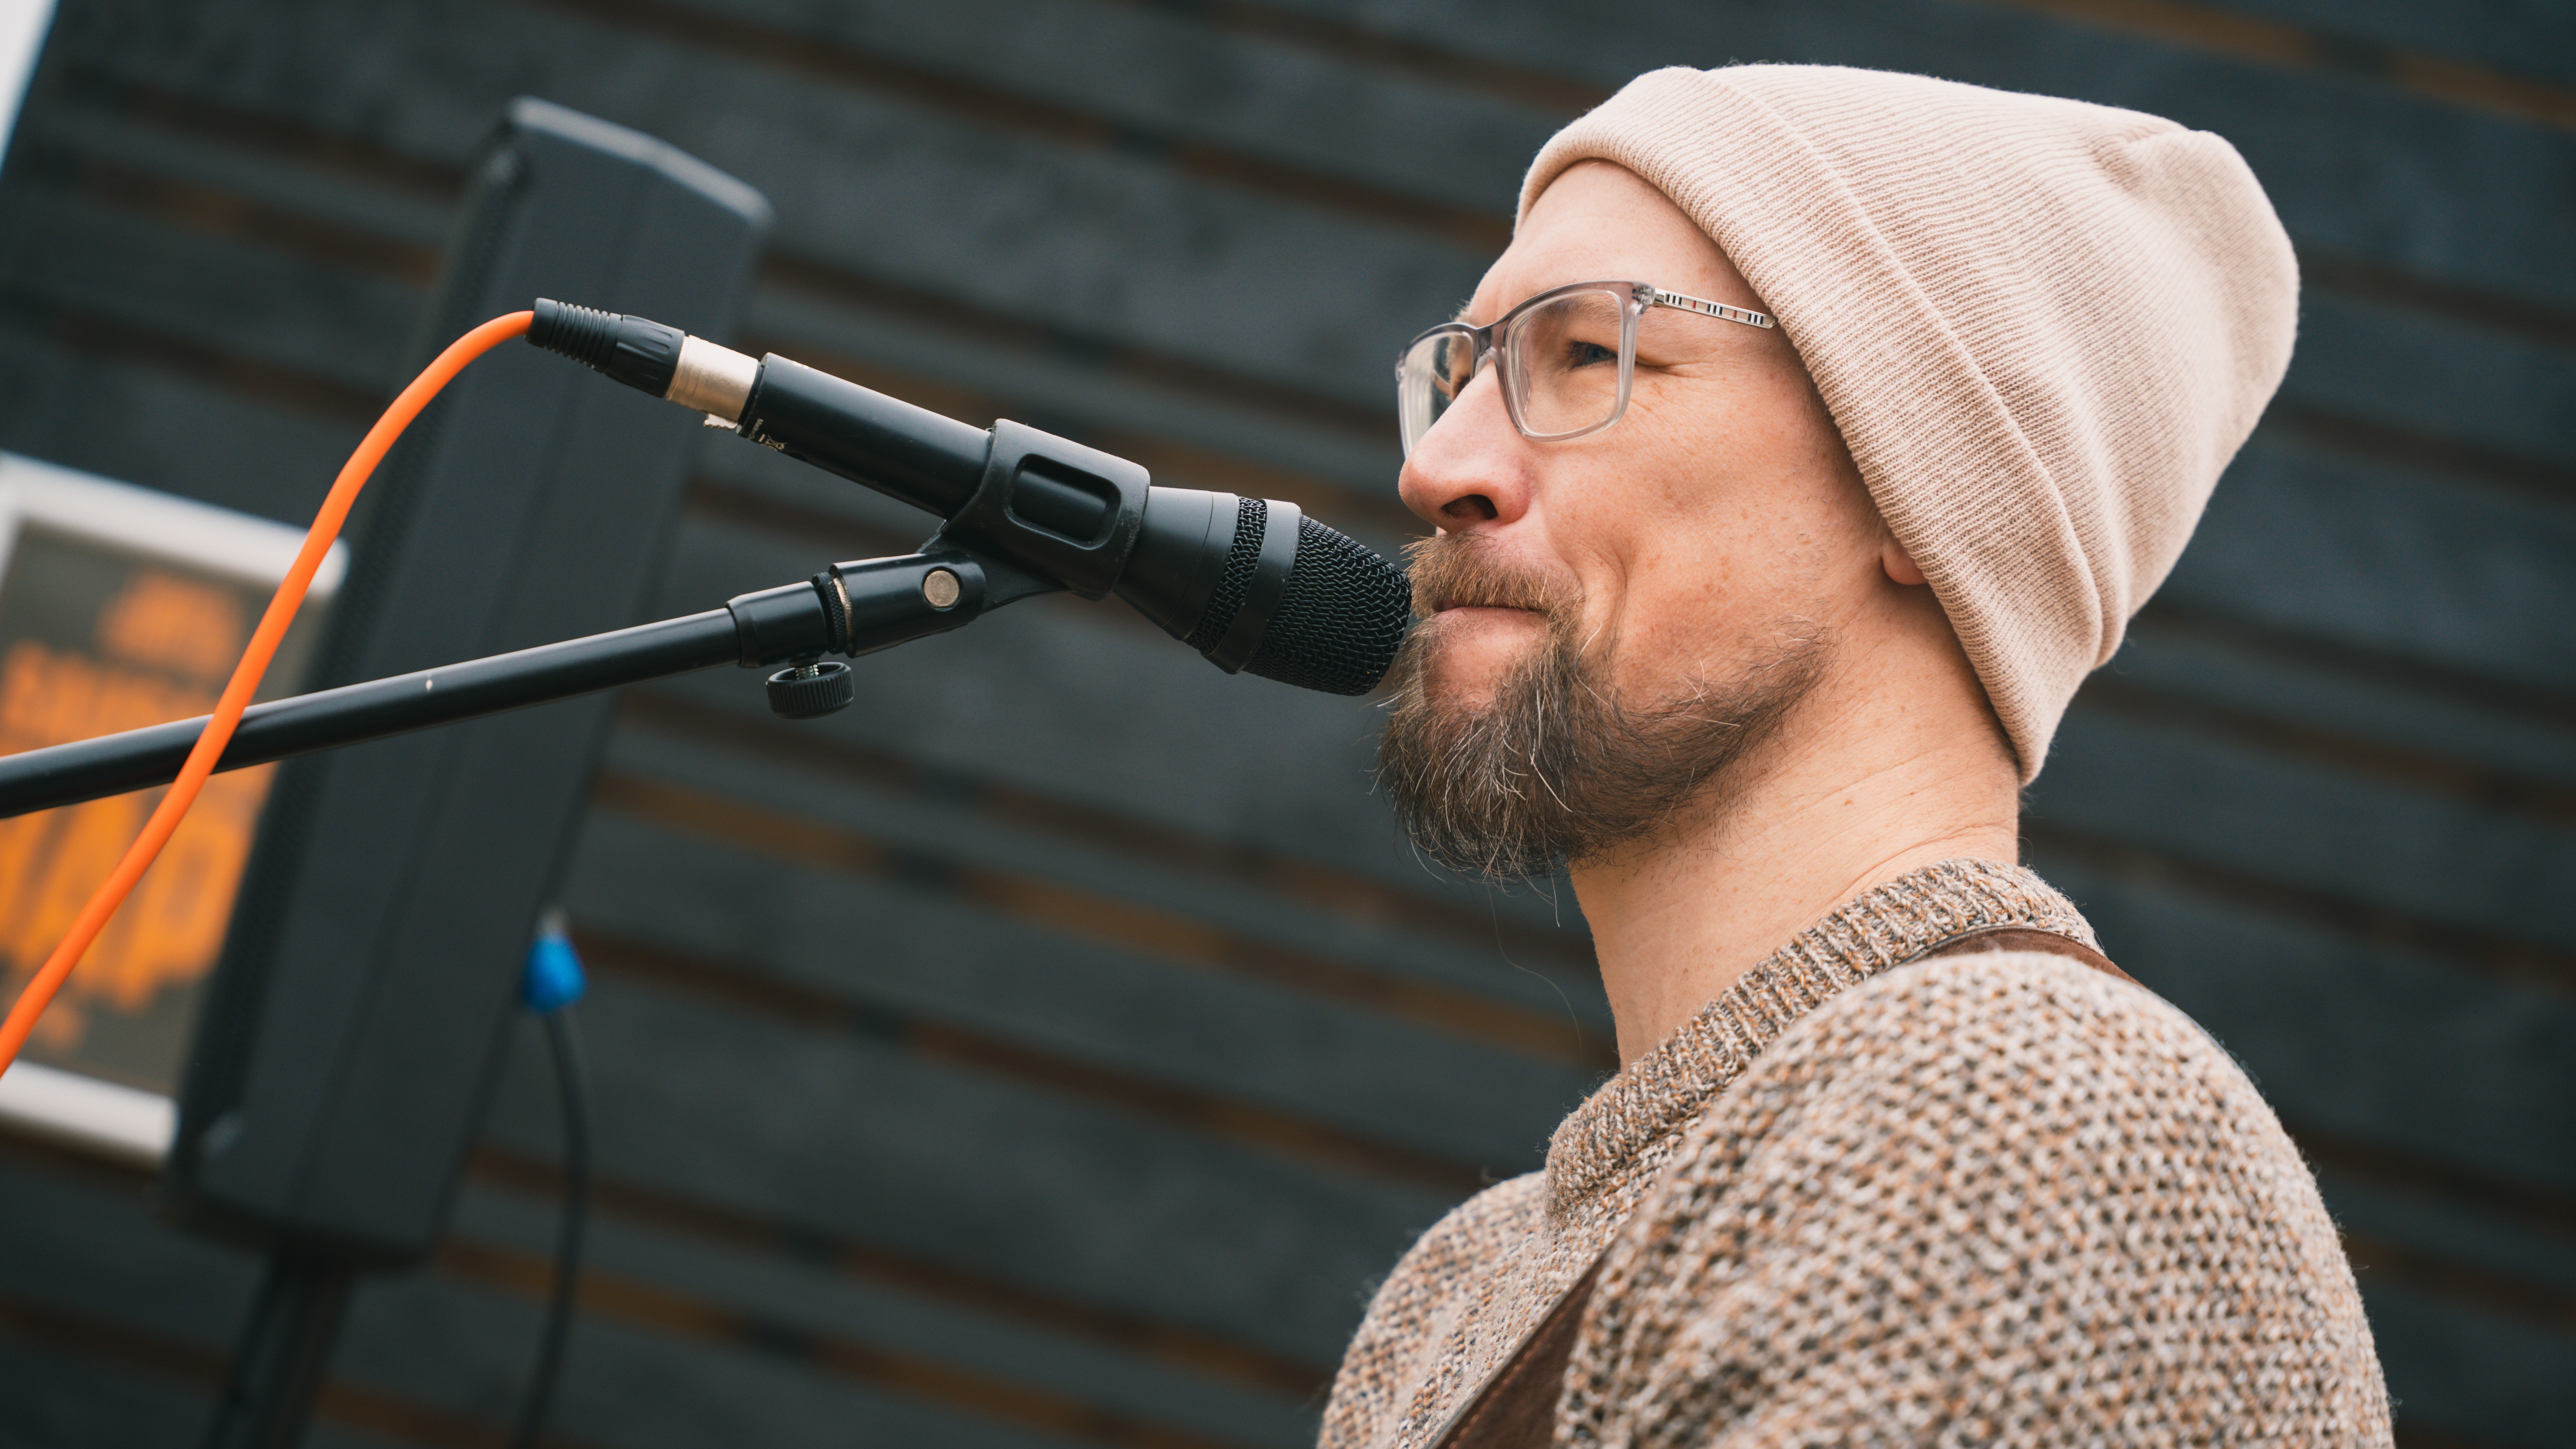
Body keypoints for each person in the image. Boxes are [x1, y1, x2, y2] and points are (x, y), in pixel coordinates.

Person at [1324, 65, 2391, 1447]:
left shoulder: (2014, 1120)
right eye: (1458, 373)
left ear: (1925, 489)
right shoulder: (1466, 1289)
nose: (1439, 467)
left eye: (1587, 354)